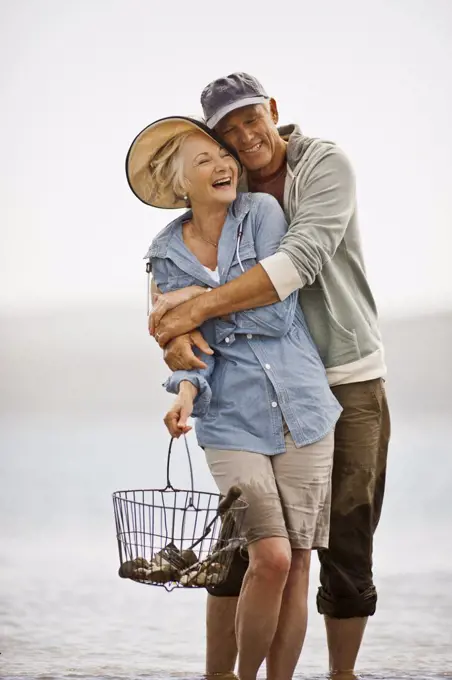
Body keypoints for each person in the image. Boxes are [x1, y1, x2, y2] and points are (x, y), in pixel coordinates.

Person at [148, 74, 391, 678]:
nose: (243, 137)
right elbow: (171, 285)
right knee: (243, 549)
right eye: (226, 134)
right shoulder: (232, 185)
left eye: (250, 119)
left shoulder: (324, 164)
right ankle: (220, 674)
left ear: (273, 111)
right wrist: (173, 336)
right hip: (252, 387)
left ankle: (341, 674)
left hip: (346, 376)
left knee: (345, 541)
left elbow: (300, 262)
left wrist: (195, 313)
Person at [125, 115, 342, 680]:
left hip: (304, 408)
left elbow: (274, 310)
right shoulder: (164, 254)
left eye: (224, 155)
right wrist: (185, 396)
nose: (224, 165)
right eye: (206, 161)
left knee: (296, 565)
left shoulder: (263, 215)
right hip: (229, 419)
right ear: (182, 184)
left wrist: (198, 297)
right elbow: (183, 342)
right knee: (268, 556)